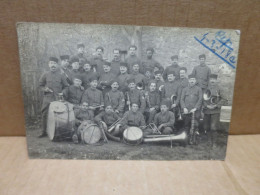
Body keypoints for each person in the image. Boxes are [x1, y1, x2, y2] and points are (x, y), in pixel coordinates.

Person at [38, 57, 69, 137]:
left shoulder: (61, 75)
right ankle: (43, 131)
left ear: (57, 65)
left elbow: (66, 86)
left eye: (55, 63)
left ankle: (56, 131)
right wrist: (45, 89)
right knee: (44, 113)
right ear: (49, 64)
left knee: (58, 115)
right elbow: (40, 85)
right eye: (51, 63)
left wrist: (62, 93)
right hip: (47, 98)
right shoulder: (45, 74)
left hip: (58, 98)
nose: (53, 65)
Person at [202, 74, 225, 146]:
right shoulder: (206, 89)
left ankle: (214, 143)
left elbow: (224, 99)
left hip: (215, 111)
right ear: (209, 80)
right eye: (211, 79)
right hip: (207, 110)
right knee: (206, 127)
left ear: (216, 80)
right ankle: (209, 141)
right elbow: (202, 100)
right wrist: (207, 106)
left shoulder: (220, 88)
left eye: (214, 80)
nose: (212, 81)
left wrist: (216, 105)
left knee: (213, 127)